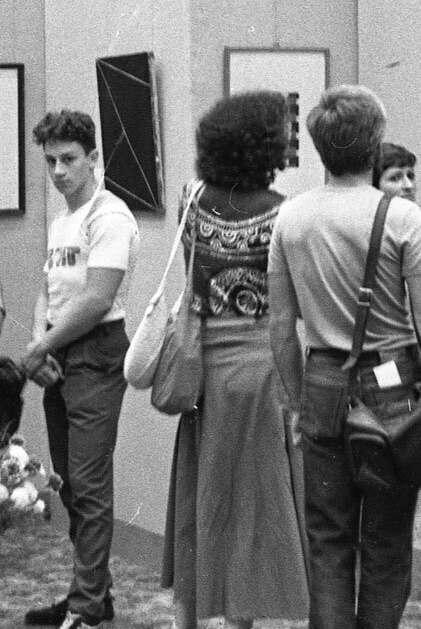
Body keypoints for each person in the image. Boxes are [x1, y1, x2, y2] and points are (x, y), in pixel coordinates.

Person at [268, 84, 421, 629]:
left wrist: (297, 400)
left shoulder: (291, 219)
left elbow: (280, 326)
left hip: (322, 378)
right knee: (388, 541)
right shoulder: (401, 218)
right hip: (394, 384)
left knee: (327, 540)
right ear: (374, 145)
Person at [164, 92, 308, 629]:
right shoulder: (284, 211)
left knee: (209, 493)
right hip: (264, 367)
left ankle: (194, 613)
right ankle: (245, 615)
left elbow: (192, 279)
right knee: (260, 499)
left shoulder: (191, 201)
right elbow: (285, 305)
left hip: (205, 369)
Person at [21, 110, 139, 629]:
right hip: (60, 350)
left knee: (89, 485)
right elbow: (49, 289)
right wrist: (39, 345)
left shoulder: (108, 216)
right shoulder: (61, 220)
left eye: (69, 159)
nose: (59, 171)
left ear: (94, 159)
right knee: (69, 481)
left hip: (96, 351)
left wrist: (41, 346)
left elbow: (96, 299)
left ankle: (87, 609)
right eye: (50, 160)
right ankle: (93, 592)